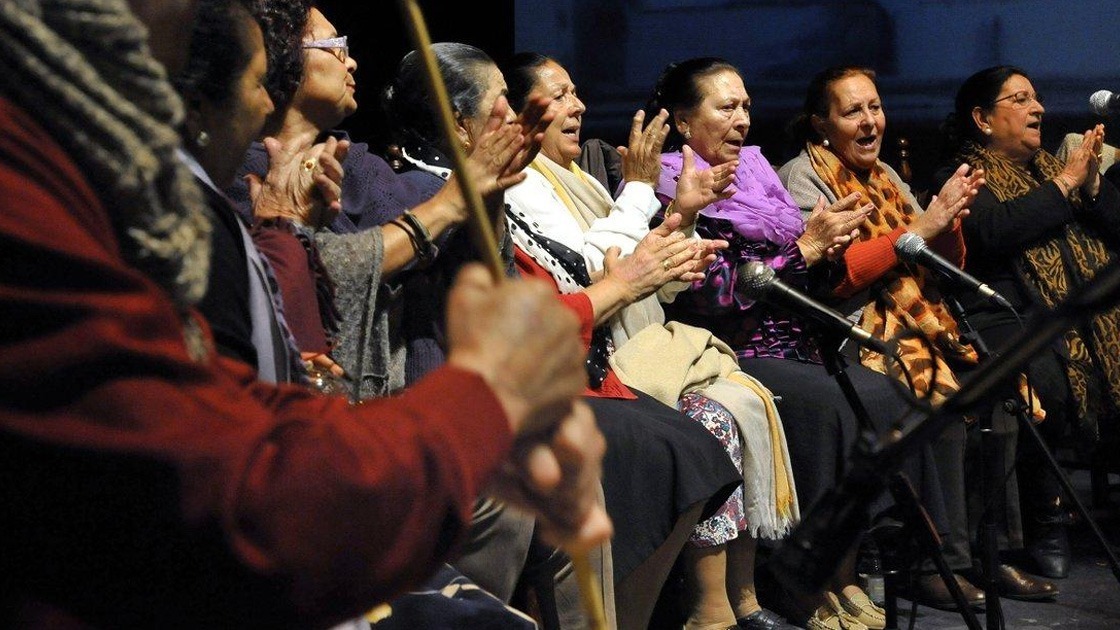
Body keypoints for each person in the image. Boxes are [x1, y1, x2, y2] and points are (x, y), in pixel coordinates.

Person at [0, 0, 609, 626]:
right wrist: (488, 396)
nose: (268, 101)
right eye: (262, 82)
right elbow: (233, 500)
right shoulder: (58, 168)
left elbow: (219, 386)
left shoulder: (352, 166)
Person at [385, 43, 746, 630]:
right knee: (680, 442)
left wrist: (659, 244)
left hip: (574, 359)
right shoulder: (430, 195)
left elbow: (580, 274)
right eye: (508, 101)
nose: (523, 115)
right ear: (458, 122)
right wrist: (626, 264)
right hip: (526, 382)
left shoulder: (511, 185)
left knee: (699, 433)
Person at [647, 56, 965, 630]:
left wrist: (829, 240)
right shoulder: (669, 184)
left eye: (745, 104)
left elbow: (810, 271)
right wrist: (807, 249)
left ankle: (843, 573)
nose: (743, 118)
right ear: (686, 123)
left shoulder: (757, 171)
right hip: (727, 347)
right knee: (831, 408)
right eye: (726, 107)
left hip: (799, 336)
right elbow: (712, 296)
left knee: (887, 397)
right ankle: (802, 580)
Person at [501, 52, 803, 630]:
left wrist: (677, 229)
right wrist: (648, 196)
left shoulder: (583, 179)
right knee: (715, 416)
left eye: (747, 105)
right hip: (592, 356)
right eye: (560, 95)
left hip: (636, 335)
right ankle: (706, 609)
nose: (579, 106)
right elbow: (591, 272)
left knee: (746, 400)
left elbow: (643, 287)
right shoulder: (522, 188)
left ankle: (744, 597)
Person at [778, 65, 1057, 609]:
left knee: (999, 389)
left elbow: (943, 262)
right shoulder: (803, 178)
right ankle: (938, 564)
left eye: (875, 107)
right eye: (852, 111)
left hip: (922, 317)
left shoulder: (885, 176)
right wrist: (921, 229)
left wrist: (947, 221)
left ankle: (990, 554)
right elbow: (834, 277)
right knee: (938, 400)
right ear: (821, 124)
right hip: (853, 330)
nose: (869, 121)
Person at [937, 65, 1120, 580]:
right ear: (983, 118)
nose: (1038, 108)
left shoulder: (1056, 169)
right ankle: (1047, 519)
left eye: (1036, 97)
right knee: (1046, 377)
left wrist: (1089, 186)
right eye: (1019, 99)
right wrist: (1064, 183)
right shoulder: (962, 174)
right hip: (1004, 309)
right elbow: (994, 233)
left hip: (1078, 308)